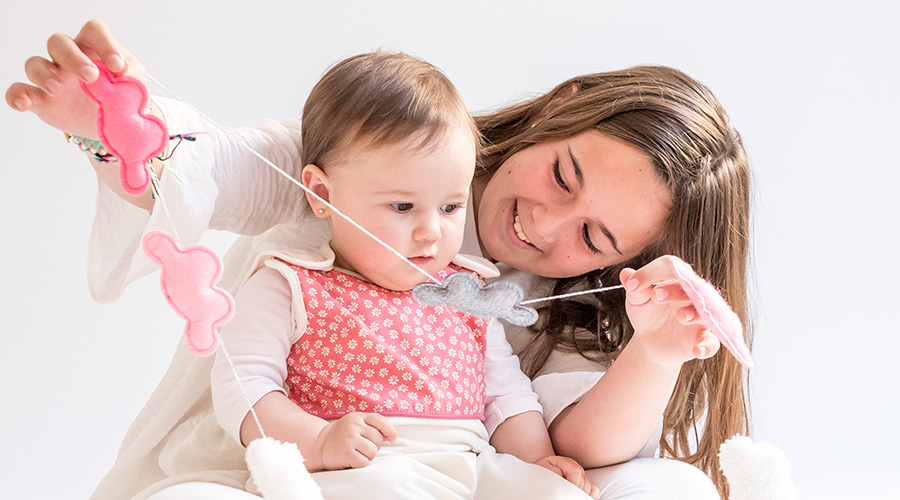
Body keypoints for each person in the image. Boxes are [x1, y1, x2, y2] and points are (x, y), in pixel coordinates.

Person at [7, 19, 748, 500]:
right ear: (561, 109)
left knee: (660, 486)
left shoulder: (528, 297)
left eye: (592, 239)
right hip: (276, 456)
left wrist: (656, 350)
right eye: (561, 175)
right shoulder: (367, 162)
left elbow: (558, 432)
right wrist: (117, 127)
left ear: (627, 262)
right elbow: (217, 167)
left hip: (457, 470)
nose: (544, 223)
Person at [208, 50, 596, 499]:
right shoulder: (290, 284)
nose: (431, 232)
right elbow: (242, 388)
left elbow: (506, 398)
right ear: (321, 194)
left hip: (469, 468)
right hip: (360, 469)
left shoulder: (465, 293)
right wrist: (317, 441)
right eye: (402, 207)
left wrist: (536, 462)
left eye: (450, 207)